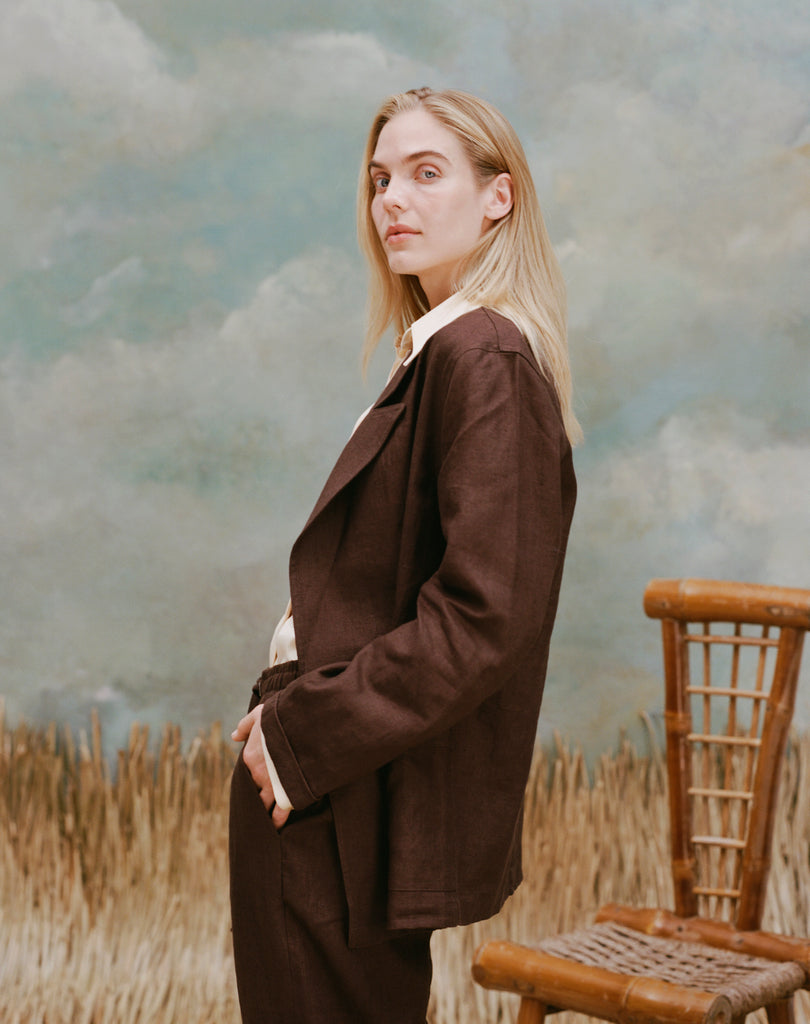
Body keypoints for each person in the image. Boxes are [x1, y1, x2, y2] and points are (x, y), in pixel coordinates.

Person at [229, 86, 580, 1024]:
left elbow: (483, 619)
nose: (393, 199)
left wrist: (302, 737)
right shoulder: (437, 352)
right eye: (382, 178)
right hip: (330, 781)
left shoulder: (486, 359)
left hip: (343, 785)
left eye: (428, 174)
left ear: (498, 197)